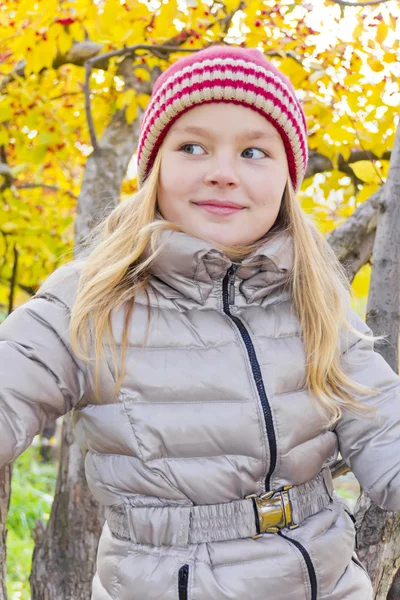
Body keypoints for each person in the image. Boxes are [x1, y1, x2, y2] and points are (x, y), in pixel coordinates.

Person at [1, 44, 399, 600]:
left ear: (288, 177)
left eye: (254, 153)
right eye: (192, 146)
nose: (222, 174)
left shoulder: (312, 298)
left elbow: (385, 426)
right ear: (154, 167)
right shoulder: (89, 300)